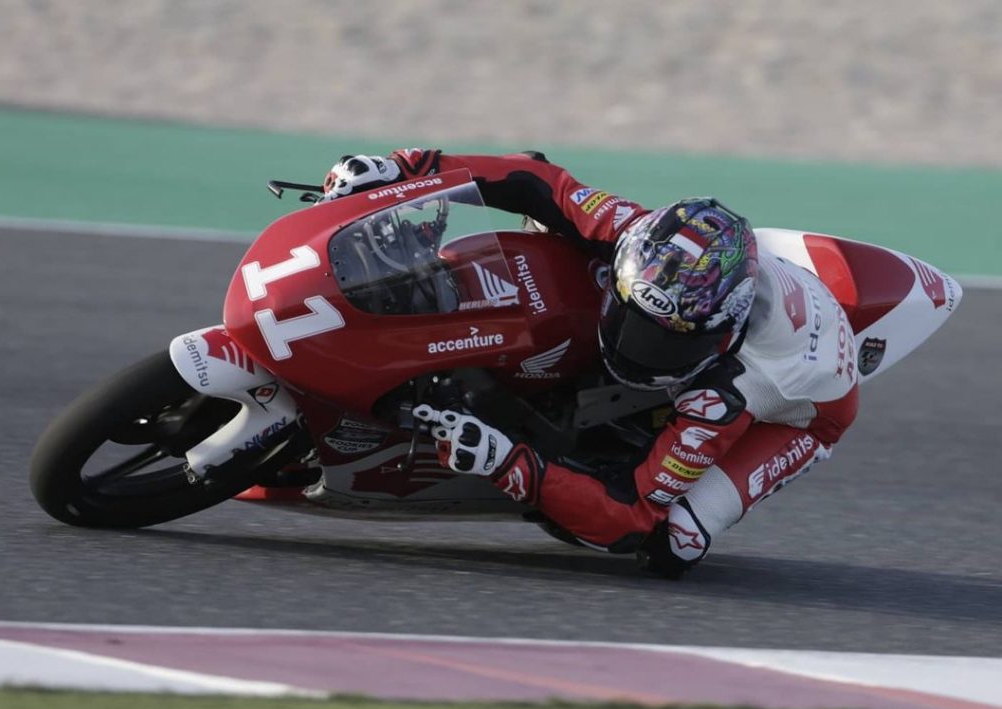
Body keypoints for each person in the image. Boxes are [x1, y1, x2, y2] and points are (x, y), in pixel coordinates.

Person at [323, 150, 859, 578]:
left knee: (673, 540)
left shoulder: (727, 392)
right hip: (753, 289)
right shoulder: (637, 234)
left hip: (807, 411)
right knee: (550, 218)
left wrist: (509, 463)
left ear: (719, 335)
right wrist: (406, 168)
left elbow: (631, 517)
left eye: (665, 344)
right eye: (632, 321)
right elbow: (538, 179)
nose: (636, 350)